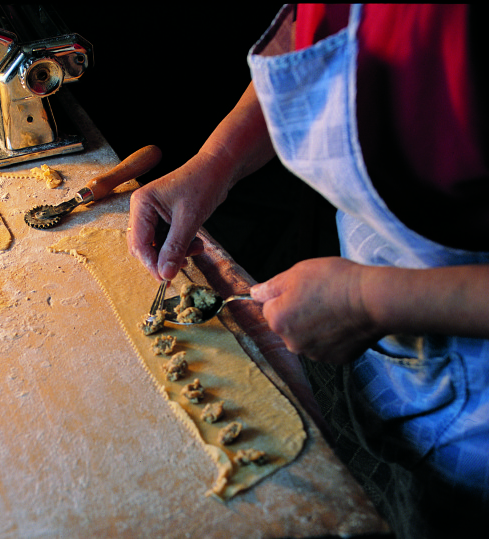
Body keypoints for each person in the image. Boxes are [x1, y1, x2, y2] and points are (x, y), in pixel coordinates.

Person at [127, 5, 488, 538]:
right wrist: (216, 162)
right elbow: (315, 48)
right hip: (372, 344)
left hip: (471, 437)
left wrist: (370, 299)